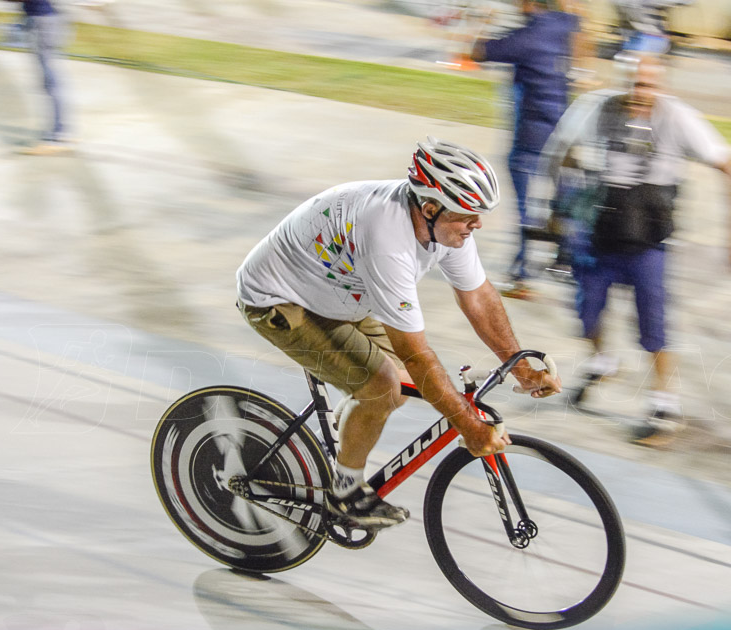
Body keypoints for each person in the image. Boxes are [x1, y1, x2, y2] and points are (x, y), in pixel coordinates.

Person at [236, 138, 561, 529]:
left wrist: (520, 365)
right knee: (385, 387)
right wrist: (469, 427)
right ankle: (346, 494)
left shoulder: (445, 225)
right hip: (282, 298)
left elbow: (477, 297)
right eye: (468, 215)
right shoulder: (389, 239)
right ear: (428, 207)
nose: (478, 224)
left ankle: (356, 413)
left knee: (405, 386)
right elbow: (416, 354)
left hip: (341, 291)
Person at [538, 53, 731, 446]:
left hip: (648, 241)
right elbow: (560, 150)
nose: (639, 93)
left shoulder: (679, 118)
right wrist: (556, 208)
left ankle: (663, 406)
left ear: (661, 85)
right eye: (633, 83)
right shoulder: (596, 108)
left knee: (653, 326)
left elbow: (730, 167)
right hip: (600, 231)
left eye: (648, 85)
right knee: (586, 312)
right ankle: (602, 361)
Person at [469, 0, 580, 300]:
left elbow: (477, 51)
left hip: (530, 139)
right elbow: (577, 20)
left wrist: (482, 19)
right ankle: (566, 261)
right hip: (565, 135)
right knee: (565, 198)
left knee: (526, 209)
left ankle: (521, 273)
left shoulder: (524, 38)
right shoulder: (563, 24)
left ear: (529, 4)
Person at [6, 0, 73, 155]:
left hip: (42, 22)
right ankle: (61, 132)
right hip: (46, 20)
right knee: (51, 81)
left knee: (50, 82)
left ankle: (57, 137)